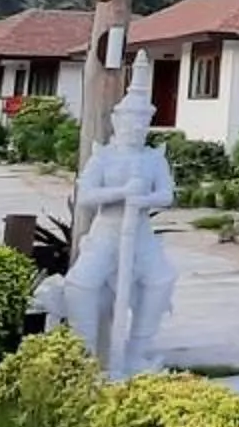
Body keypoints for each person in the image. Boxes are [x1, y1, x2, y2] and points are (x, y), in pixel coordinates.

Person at [61, 70, 177, 377]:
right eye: (130, 121)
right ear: (117, 122)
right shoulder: (104, 157)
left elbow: (166, 195)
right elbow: (86, 195)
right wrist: (122, 193)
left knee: (161, 281)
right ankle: (86, 353)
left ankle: (136, 352)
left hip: (139, 233)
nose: (136, 128)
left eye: (143, 122)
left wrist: (143, 201)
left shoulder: (154, 159)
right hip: (107, 231)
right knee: (81, 285)